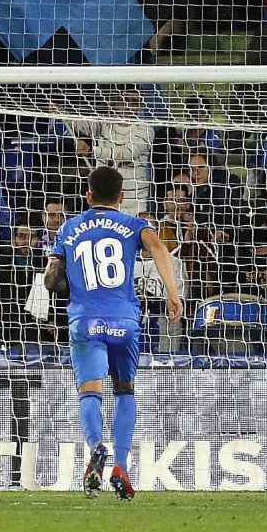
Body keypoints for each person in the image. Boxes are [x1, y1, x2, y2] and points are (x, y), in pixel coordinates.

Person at [43, 166, 183, 501]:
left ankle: (96, 447)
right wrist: (172, 293)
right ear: (122, 197)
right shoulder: (134, 224)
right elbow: (160, 249)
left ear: (88, 195)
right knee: (125, 390)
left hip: (85, 322)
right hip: (124, 322)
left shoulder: (69, 227)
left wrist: (62, 279)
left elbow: (50, 277)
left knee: (90, 393)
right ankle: (120, 464)